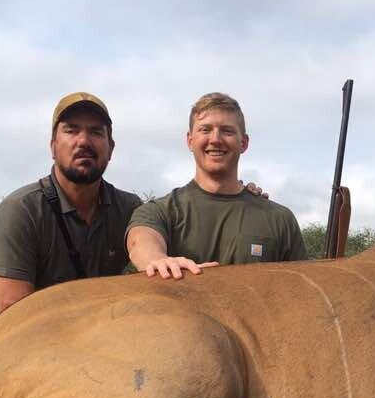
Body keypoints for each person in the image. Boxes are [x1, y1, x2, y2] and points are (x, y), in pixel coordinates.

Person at [0, 92, 142, 313]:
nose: (84, 141)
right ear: (53, 146)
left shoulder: (130, 208)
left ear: (111, 148)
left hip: (110, 334)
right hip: (41, 339)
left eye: (96, 132)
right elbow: (13, 313)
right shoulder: (21, 209)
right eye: (71, 130)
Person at [126, 92, 307, 279]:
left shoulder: (280, 219)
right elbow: (140, 240)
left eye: (227, 131)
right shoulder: (161, 211)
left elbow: (302, 287)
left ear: (244, 143)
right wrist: (158, 260)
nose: (215, 139)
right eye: (205, 130)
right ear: (190, 140)